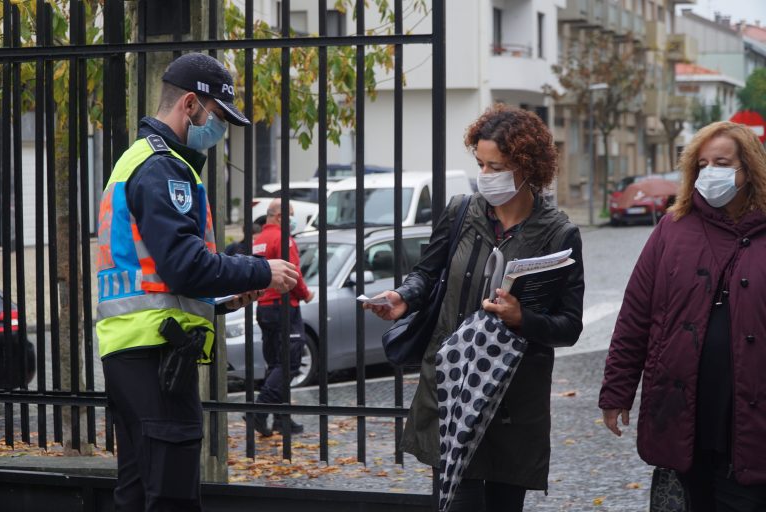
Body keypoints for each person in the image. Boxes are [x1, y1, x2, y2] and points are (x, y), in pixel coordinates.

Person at [95, 52, 299, 512]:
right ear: (190, 104)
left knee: (137, 492)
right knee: (171, 496)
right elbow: (184, 264)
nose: (218, 128)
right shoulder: (163, 167)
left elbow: (156, 270)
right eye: (217, 115)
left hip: (132, 351)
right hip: (157, 353)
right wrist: (262, 270)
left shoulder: (135, 160)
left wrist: (224, 298)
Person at [365, 104, 584, 511]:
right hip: (451, 385)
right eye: (481, 164)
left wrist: (522, 318)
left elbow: (569, 326)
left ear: (527, 167)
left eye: (495, 166)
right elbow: (427, 273)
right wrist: (404, 297)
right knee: (455, 502)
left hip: (512, 397)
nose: (485, 175)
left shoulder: (559, 234)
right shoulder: (461, 212)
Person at [599, 121, 766, 511]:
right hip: (682, 413)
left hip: (751, 419)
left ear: (748, 169)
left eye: (721, 163)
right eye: (702, 164)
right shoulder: (672, 229)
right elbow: (635, 316)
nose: (710, 172)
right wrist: (617, 391)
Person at [250, 198, 315, 437]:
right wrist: (306, 294)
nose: (293, 220)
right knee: (290, 363)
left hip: (264, 308)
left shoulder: (259, 240)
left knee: (275, 363)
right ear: (280, 217)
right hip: (283, 306)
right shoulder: (282, 238)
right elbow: (292, 273)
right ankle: (259, 410)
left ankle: (281, 418)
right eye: (291, 215)